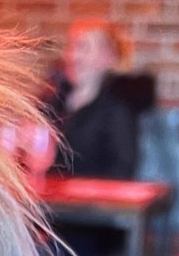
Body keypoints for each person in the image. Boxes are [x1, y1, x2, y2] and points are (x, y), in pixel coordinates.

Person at [48, 20, 140, 180]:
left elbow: (122, 171)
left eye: (83, 47)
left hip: (89, 203)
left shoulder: (117, 109)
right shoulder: (52, 101)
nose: (71, 56)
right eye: (71, 46)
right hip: (45, 200)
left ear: (108, 58)